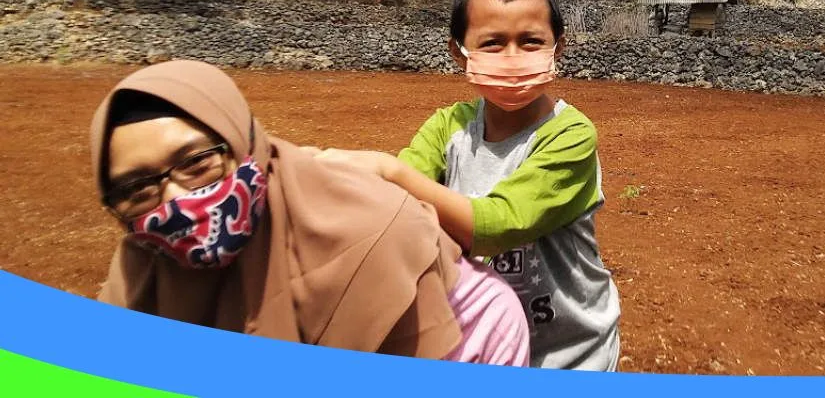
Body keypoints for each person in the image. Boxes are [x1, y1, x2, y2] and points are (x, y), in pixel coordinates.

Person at [90, 60, 529, 366]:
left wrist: (392, 171)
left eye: (196, 163)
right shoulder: (134, 283)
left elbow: (502, 222)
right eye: (136, 189)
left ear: (246, 145)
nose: (175, 202)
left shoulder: (377, 234)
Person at [318, 0, 622, 371]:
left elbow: (501, 224)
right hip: (484, 347)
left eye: (531, 41)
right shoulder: (448, 129)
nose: (513, 58)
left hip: (572, 355)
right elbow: (393, 207)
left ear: (558, 48)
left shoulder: (570, 135)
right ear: (459, 54)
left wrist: (389, 171)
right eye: (492, 43)